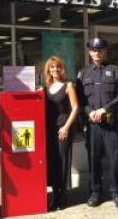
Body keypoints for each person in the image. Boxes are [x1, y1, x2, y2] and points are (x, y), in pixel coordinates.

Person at [76, 38, 118, 209]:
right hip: (92, 125)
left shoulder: (115, 71)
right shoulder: (83, 73)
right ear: (89, 52)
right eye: (93, 50)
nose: (97, 53)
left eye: (100, 50)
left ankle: (117, 193)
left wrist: (104, 110)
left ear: (106, 51)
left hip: (112, 124)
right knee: (94, 159)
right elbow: (79, 99)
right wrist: (89, 111)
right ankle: (95, 192)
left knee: (114, 159)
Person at [43, 56, 79, 211]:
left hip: (62, 130)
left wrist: (66, 127)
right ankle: (55, 193)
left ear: (61, 69)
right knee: (52, 162)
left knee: (63, 162)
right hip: (48, 131)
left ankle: (62, 196)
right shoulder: (45, 87)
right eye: (52, 67)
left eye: (57, 67)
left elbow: (76, 107)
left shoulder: (68, 85)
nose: (55, 70)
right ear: (48, 70)